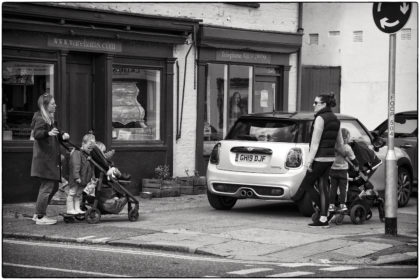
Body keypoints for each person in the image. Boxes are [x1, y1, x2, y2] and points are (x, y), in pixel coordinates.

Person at [291, 93, 344, 227]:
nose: (313, 105)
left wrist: (309, 162)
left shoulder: (320, 118)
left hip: (319, 158)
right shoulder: (336, 119)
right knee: (323, 185)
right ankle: (323, 218)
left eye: (316, 103)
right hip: (329, 158)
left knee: (306, 185)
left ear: (324, 104)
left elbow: (315, 143)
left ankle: (324, 211)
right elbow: (340, 144)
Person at [31, 93, 69, 225]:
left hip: (50, 158)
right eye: (53, 103)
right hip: (45, 159)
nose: (55, 105)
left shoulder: (50, 118)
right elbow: (37, 134)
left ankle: (38, 214)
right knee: (47, 187)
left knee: (50, 186)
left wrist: (62, 134)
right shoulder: (41, 118)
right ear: (46, 106)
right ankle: (40, 217)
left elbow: (56, 130)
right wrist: (48, 133)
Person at [328, 128, 359, 213]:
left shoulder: (333, 146)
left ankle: (331, 205)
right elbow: (353, 159)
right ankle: (342, 205)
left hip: (333, 170)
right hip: (343, 171)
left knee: (332, 188)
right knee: (343, 189)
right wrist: (356, 166)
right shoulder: (347, 148)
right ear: (345, 138)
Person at [67, 133, 96, 215]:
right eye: (89, 147)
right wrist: (76, 177)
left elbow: (90, 168)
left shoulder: (87, 155)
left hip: (83, 179)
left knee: (78, 195)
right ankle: (70, 209)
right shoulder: (77, 153)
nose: (90, 149)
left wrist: (91, 177)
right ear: (83, 144)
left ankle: (77, 208)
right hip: (77, 178)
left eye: (92, 148)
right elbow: (75, 166)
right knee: (72, 193)